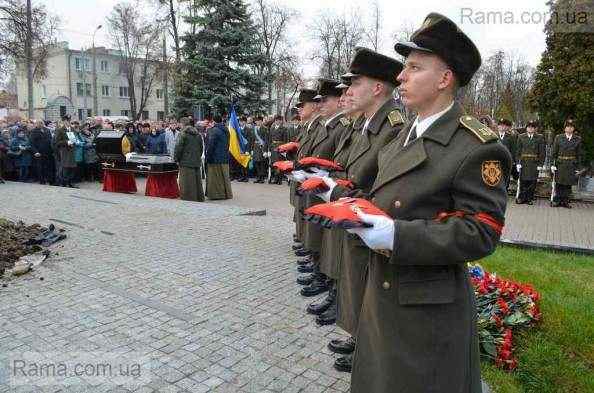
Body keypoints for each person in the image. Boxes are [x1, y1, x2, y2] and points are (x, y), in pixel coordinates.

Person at [315, 13, 511, 392]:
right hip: (385, 293)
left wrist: (397, 236)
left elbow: (482, 231)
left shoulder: (474, 146)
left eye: (414, 68)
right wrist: (347, 203)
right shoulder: (405, 133)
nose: (401, 77)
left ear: (444, 79)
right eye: (404, 68)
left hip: (426, 311)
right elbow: (382, 195)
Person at [551, 118, 584, 208]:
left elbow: (579, 154)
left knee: (568, 184)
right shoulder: (558, 138)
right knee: (559, 183)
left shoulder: (577, 139)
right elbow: (554, 152)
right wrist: (552, 164)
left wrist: (578, 167)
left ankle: (565, 201)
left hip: (571, 164)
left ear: (573, 129)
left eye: (571, 127)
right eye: (567, 127)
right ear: (564, 128)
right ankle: (557, 200)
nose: (569, 129)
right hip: (560, 163)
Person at [174, 117, 205, 202]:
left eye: (180, 123)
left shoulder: (183, 133)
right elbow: (201, 147)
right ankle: (199, 197)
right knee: (197, 181)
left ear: (182, 124)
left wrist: (176, 158)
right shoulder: (197, 134)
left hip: (185, 161)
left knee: (186, 182)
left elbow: (178, 147)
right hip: (196, 161)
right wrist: (197, 156)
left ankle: (188, 198)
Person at [515, 120, 545, 204]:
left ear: (535, 129)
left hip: (534, 163)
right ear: (526, 128)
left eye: (532, 127)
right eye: (529, 127)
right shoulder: (521, 137)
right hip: (524, 162)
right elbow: (518, 151)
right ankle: (522, 197)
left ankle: (529, 198)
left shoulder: (539, 137)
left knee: (532, 181)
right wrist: (517, 163)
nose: (530, 129)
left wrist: (540, 164)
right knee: (523, 181)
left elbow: (542, 152)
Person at [205, 114, 233, 200]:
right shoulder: (226, 130)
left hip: (215, 158)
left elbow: (211, 145)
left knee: (215, 178)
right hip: (224, 156)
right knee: (225, 177)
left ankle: (217, 195)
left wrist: (208, 157)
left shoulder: (214, 131)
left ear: (214, 121)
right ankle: (227, 194)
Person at [53, 117, 78, 188]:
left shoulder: (72, 129)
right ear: (63, 121)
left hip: (72, 150)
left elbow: (74, 137)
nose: (68, 122)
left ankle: (70, 182)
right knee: (65, 167)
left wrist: (75, 141)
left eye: (69, 121)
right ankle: (64, 183)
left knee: (72, 167)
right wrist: (67, 142)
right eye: (67, 121)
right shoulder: (60, 130)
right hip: (64, 151)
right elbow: (57, 142)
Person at [29, 119, 54, 184]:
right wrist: (35, 152)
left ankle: (50, 180)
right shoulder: (33, 131)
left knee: (49, 166)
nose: (40, 124)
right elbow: (31, 143)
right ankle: (42, 180)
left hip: (48, 152)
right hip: (39, 153)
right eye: (39, 123)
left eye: (41, 123)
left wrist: (52, 149)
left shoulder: (47, 130)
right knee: (40, 167)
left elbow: (50, 140)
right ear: (36, 124)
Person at [268, 115, 288, 184]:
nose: (277, 122)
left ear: (281, 121)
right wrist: (269, 149)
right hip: (273, 147)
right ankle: (275, 178)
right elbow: (269, 139)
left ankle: (279, 179)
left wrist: (284, 149)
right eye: (276, 120)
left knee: (280, 164)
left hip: (280, 147)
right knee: (274, 163)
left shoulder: (284, 129)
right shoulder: (272, 128)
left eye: (279, 120)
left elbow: (285, 140)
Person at [497, 118, 517, 189]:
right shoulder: (493, 135)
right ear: (498, 126)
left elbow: (513, 150)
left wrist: (513, 161)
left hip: (506, 161)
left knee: (505, 178)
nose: (502, 127)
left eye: (504, 126)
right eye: (500, 125)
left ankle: (505, 191)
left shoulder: (511, 137)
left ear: (506, 127)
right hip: (495, 161)